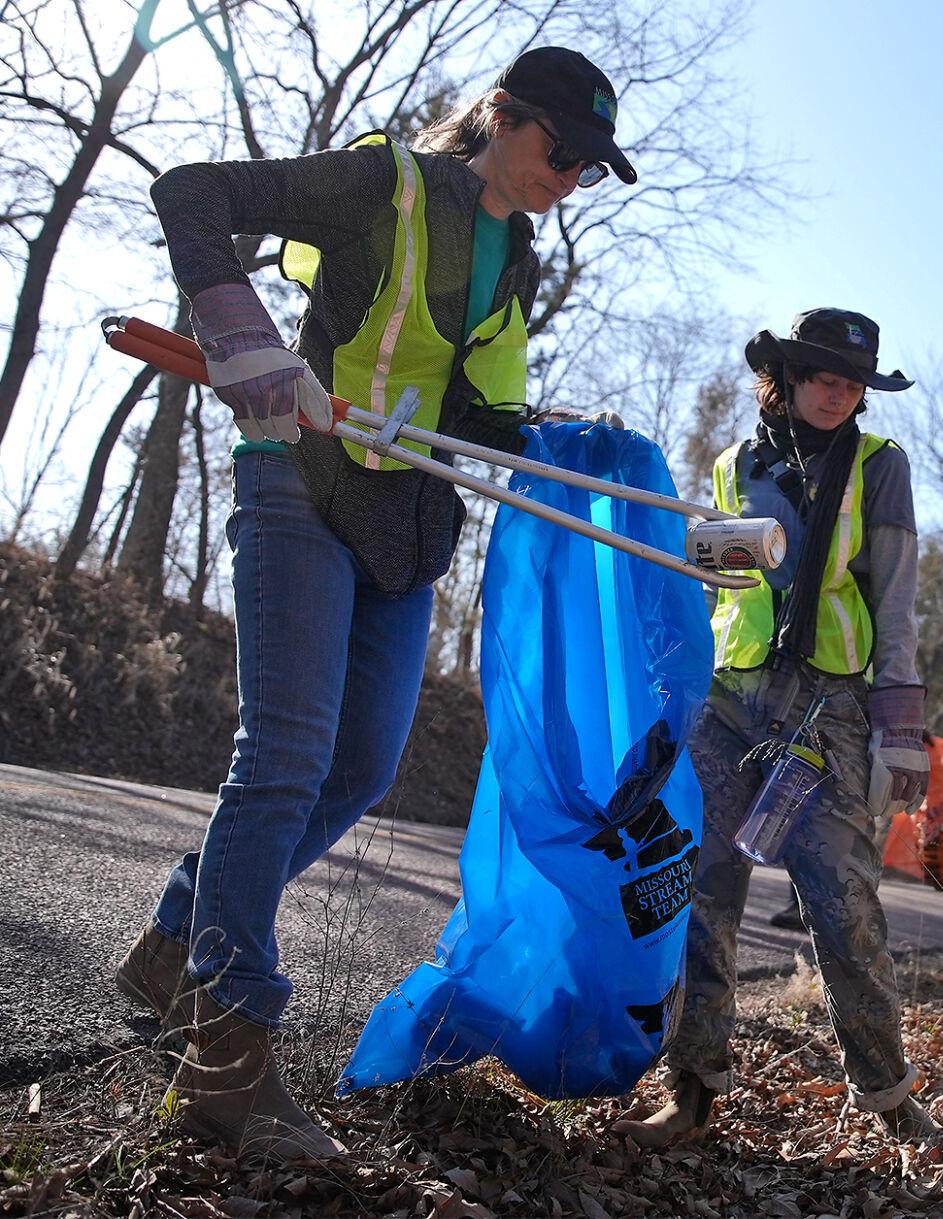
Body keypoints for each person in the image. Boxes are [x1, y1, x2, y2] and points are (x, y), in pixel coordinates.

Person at [111, 47, 637, 1163]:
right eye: (561, 151)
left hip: (402, 530)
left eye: (590, 169)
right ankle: (229, 1048)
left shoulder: (517, 260)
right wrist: (243, 339)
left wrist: (573, 451)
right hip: (299, 473)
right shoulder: (383, 185)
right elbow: (192, 195)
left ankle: (175, 939)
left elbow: (482, 420)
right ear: (501, 117)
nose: (568, 176)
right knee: (287, 752)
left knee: (359, 768)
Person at [613, 308, 937, 1148]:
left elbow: (895, 601)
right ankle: (691, 1088)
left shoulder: (879, 465)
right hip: (726, 699)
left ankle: (890, 1094)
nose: (838, 394)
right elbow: (709, 582)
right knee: (699, 889)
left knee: (842, 906)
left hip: (829, 708)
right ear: (786, 378)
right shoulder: (731, 464)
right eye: (823, 376)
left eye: (852, 382)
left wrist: (899, 720)